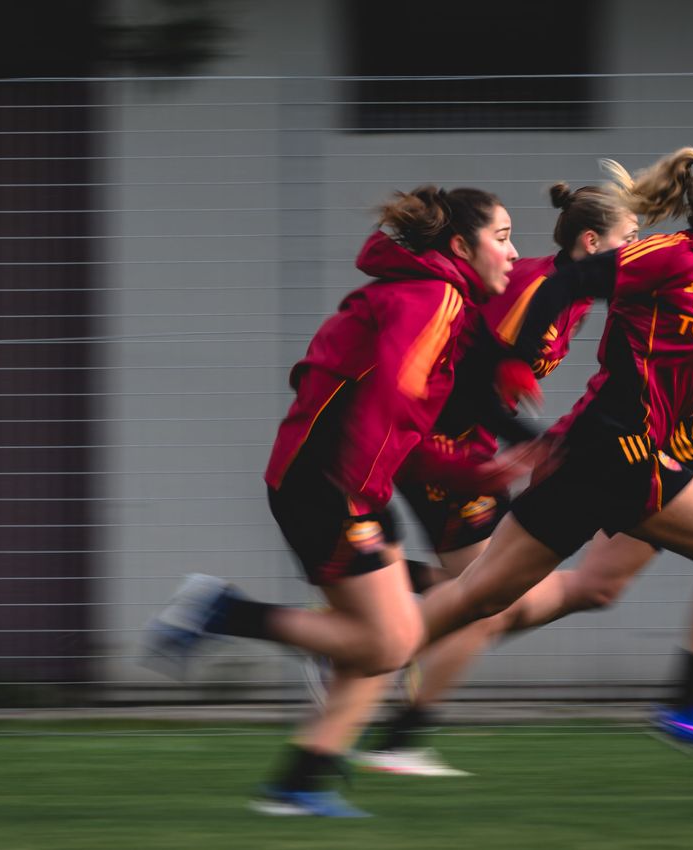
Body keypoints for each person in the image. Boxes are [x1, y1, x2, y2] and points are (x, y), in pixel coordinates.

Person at [354, 155, 693, 772]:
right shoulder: (668, 257)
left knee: (482, 599)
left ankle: (359, 648)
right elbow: (564, 282)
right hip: (618, 447)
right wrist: (510, 358)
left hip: (601, 457)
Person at [137, 185, 540, 816]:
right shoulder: (435, 297)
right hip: (329, 485)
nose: (515, 253)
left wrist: (487, 472)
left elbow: (411, 428)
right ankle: (222, 613)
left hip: (342, 482)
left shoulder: (434, 298)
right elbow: (392, 406)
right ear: (462, 246)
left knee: (393, 641)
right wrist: (361, 497)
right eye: (504, 236)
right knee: (386, 644)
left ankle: (301, 782)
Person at [326, 174, 641, 776]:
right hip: (445, 444)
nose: (637, 253)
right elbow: (465, 377)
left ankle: (367, 634)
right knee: (489, 602)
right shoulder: (535, 286)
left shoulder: (571, 295)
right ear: (595, 241)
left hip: (468, 443)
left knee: (494, 597)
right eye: (631, 239)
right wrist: (533, 442)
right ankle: (376, 681)